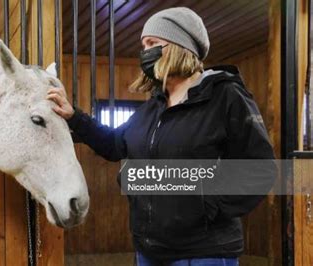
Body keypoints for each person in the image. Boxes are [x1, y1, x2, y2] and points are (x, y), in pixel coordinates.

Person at [47, 7, 276, 266]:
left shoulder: (226, 97)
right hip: (150, 250)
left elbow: (261, 171)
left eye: (153, 43)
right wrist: (74, 117)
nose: (146, 52)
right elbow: (114, 144)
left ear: (180, 45)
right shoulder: (153, 107)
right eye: (143, 45)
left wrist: (206, 203)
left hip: (203, 252)